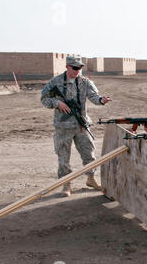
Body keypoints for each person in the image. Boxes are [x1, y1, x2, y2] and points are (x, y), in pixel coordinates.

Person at [41, 55, 112, 197]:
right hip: (63, 127)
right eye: (74, 68)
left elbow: (93, 97)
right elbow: (44, 99)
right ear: (67, 67)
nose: (77, 71)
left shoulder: (85, 82)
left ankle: (91, 179)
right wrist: (57, 103)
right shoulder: (56, 82)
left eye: (79, 68)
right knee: (63, 157)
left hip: (81, 125)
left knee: (89, 153)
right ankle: (66, 184)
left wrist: (101, 100)